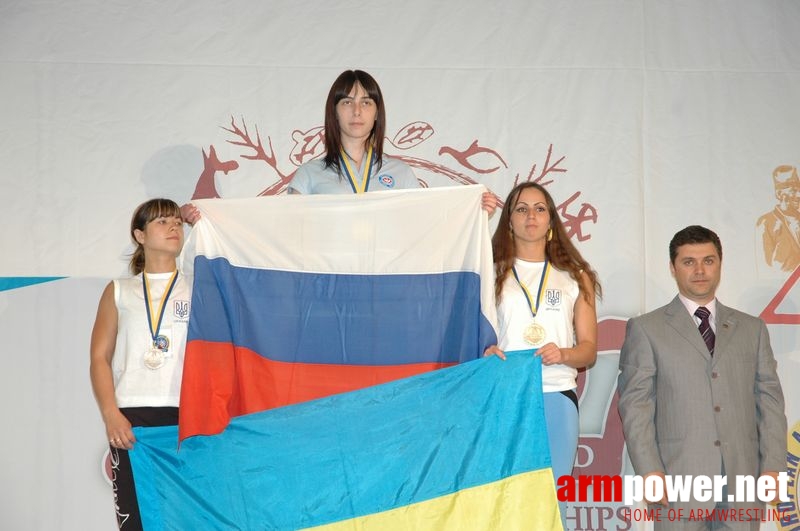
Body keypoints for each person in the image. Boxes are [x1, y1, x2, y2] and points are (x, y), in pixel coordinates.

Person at [617, 225, 787, 530]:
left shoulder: (752, 329)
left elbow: (770, 402)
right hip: (675, 481)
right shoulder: (646, 329)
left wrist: (773, 468)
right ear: (673, 267)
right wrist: (650, 471)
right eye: (688, 261)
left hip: (743, 481)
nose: (699, 270)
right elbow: (635, 406)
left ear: (720, 265)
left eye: (708, 261)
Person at [180, 69, 497, 223]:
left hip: (385, 282)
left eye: (366, 102)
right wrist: (210, 218)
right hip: (326, 284)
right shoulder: (309, 174)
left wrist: (472, 211)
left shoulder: (401, 174)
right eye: (347, 102)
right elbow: (278, 225)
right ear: (334, 111)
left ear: (377, 112)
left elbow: (424, 225)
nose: (357, 111)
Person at [483, 182, 601, 525]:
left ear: (551, 220)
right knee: (505, 497)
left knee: (552, 500)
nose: (530, 216)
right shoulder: (490, 272)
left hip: (555, 396)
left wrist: (563, 353)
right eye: (521, 209)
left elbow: (589, 351)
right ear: (508, 221)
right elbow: (474, 339)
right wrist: (485, 351)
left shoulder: (576, 277)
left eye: (539, 208)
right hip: (505, 397)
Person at [90, 198, 192, 530]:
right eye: (162, 222)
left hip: (189, 414)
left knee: (189, 516)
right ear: (140, 235)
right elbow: (99, 358)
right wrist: (111, 415)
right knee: (138, 519)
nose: (173, 227)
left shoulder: (200, 287)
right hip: (133, 418)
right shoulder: (119, 291)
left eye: (178, 221)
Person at [756, 164, 800, 272]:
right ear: (780, 194)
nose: (799, 195)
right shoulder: (766, 223)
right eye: (793, 190)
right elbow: (764, 270)